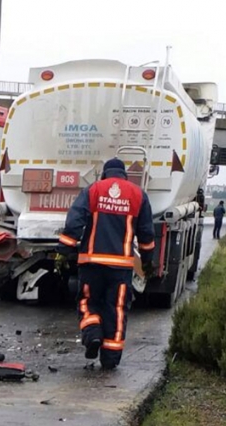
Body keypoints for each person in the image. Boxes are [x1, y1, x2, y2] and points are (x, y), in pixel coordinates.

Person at [56, 158, 155, 370]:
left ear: (105, 174)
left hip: (92, 264)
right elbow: (146, 232)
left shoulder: (93, 190)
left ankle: (92, 334)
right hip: (121, 268)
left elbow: (75, 220)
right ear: (124, 175)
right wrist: (146, 261)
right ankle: (110, 358)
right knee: (116, 310)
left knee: (87, 302)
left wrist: (65, 247)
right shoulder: (138, 195)